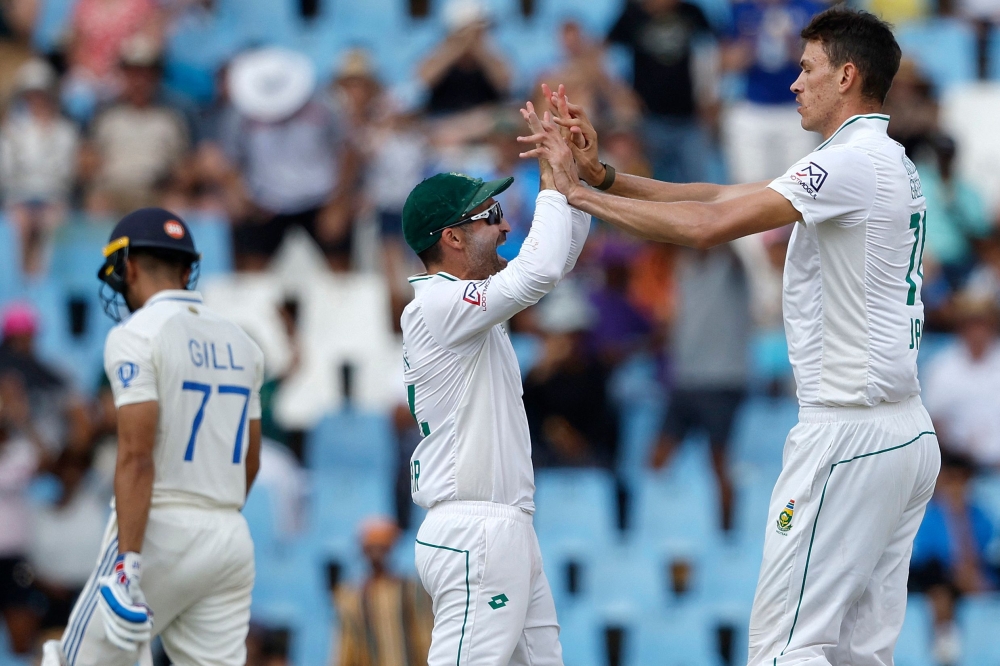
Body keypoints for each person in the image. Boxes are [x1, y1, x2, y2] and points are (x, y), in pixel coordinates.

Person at [521, 7, 940, 663]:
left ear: (848, 76)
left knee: (782, 647)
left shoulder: (851, 164)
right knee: (856, 653)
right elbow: (716, 193)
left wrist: (578, 196)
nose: (795, 83)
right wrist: (605, 177)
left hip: (848, 434)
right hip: (901, 433)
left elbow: (704, 227)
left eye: (807, 69)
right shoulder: (880, 161)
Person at [399, 109, 589, 666]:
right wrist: (553, 184)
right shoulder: (436, 302)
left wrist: (568, 176)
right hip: (472, 530)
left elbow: (558, 258)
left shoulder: (466, 308)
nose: (506, 227)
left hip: (502, 529)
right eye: (493, 216)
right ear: (452, 238)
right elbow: (541, 270)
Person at [42, 207, 265, 666]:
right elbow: (251, 460)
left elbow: (136, 457)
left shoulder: (135, 334)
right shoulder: (244, 343)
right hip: (229, 535)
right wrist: (212, 517)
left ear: (129, 267)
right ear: (187, 271)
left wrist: (129, 562)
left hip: (161, 529)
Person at [649, 244, 750, 532]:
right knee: (656, 462)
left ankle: (726, 540)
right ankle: (658, 531)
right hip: (686, 380)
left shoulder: (731, 262)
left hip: (723, 380)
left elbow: (726, 232)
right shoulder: (684, 265)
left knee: (718, 464)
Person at [607, 0, 715, 184]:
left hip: (690, 119)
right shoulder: (632, 15)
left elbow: (711, 52)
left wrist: (710, 94)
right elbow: (605, 53)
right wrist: (619, 92)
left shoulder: (691, 13)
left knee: (696, 184)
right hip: (650, 119)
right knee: (652, 183)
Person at [909, 451, 997, 666]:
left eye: (962, 480)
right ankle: (945, 640)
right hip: (938, 574)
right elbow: (926, 552)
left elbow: (987, 548)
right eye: (951, 480)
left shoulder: (979, 514)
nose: (956, 487)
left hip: (972, 572)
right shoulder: (927, 514)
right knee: (937, 583)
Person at [0, 58, 80, 275]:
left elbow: (66, 173)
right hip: (19, 198)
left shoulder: (66, 131)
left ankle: (43, 285)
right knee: (20, 222)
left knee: (52, 222)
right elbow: (6, 172)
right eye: (32, 94)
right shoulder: (11, 131)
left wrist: (46, 194)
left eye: (42, 94)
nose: (37, 100)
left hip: (53, 198)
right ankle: (19, 285)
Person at [333, 517, 433, 666]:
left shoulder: (412, 590)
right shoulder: (351, 598)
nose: (377, 554)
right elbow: (345, 651)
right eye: (371, 548)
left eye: (382, 547)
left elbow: (426, 639)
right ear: (363, 551)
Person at [922, 293, 1000, 468]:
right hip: (961, 469)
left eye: (982, 323)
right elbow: (933, 422)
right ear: (961, 327)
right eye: (971, 324)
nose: (977, 331)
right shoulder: (942, 368)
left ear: (992, 325)